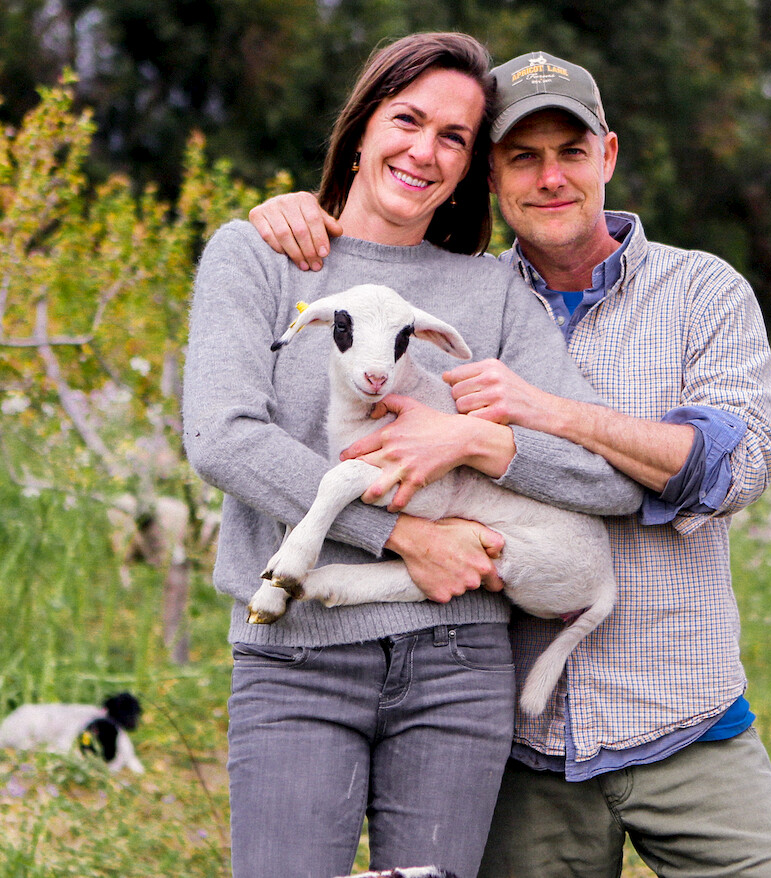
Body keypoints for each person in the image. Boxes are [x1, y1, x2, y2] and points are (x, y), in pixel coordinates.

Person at [248, 50, 771, 877]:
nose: (550, 178)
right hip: (517, 747)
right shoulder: (462, 299)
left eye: (571, 152)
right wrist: (298, 212)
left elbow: (735, 469)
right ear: (490, 176)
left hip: (686, 720)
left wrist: (538, 415)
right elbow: (366, 255)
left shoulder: (702, 292)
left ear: (607, 155)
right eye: (522, 157)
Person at [182, 34, 644, 878]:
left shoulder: (492, 293)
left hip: (459, 667)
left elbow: (608, 474)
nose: (424, 151)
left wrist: (479, 441)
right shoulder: (259, 257)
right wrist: (404, 537)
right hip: (296, 655)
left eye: (454, 137)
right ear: (362, 127)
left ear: (469, 168)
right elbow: (223, 436)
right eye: (407, 120)